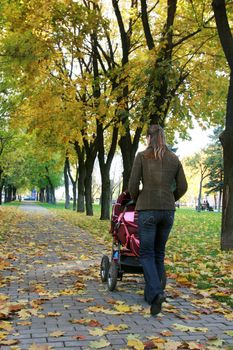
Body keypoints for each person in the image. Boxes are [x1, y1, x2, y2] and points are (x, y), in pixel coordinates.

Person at [128, 124, 187, 316]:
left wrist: (137, 199)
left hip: (148, 209)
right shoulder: (174, 158)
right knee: (159, 253)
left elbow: (132, 184)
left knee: (146, 253)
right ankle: (151, 294)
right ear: (163, 136)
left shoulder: (142, 156)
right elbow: (183, 186)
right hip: (168, 211)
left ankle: (156, 293)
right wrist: (171, 198)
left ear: (148, 138)